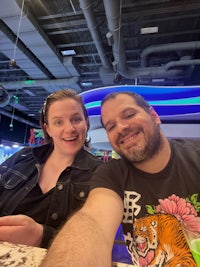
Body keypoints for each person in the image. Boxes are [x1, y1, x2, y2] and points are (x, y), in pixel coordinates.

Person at [41, 91, 200, 267]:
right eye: (111, 126)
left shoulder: (195, 157)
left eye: (129, 115)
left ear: (154, 116)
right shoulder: (111, 175)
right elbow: (93, 220)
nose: (121, 127)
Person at [0, 89, 102, 248]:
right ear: (47, 128)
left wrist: (43, 236)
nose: (69, 129)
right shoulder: (23, 157)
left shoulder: (100, 174)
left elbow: (97, 239)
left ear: (86, 123)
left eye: (76, 119)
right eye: (58, 122)